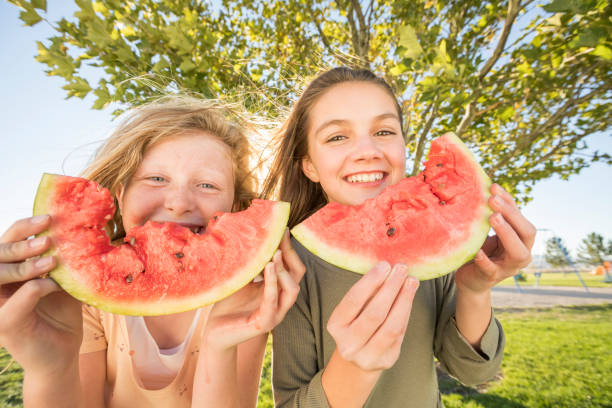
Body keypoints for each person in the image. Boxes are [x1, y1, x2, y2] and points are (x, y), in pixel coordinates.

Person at [0, 95, 305, 407]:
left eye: (207, 186)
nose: (178, 202)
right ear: (121, 194)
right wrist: (50, 369)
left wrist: (218, 344)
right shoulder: (84, 301)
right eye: (156, 178)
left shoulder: (242, 298)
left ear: (236, 208)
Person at [262, 67, 536, 407]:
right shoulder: (293, 266)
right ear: (310, 166)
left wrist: (475, 288)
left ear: (403, 146)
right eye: (337, 137)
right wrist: (353, 369)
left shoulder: (436, 241)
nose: (367, 150)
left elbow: (472, 372)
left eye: (384, 131)